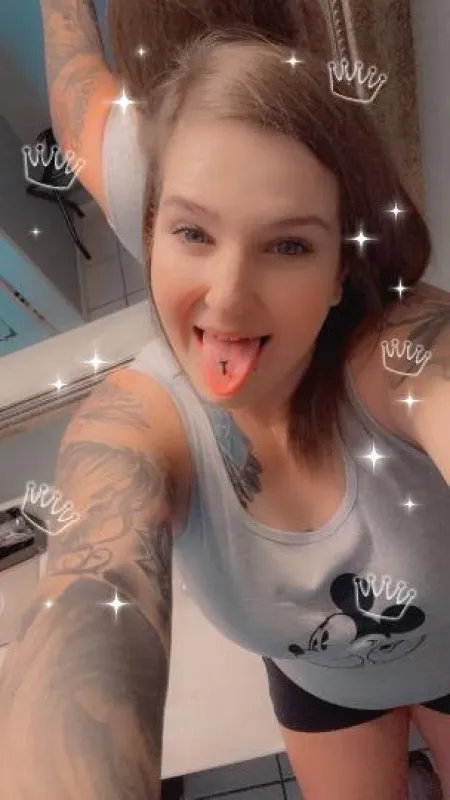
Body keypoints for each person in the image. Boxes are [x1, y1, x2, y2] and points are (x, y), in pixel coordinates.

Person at [0, 1, 449, 798]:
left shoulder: (401, 349)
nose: (229, 297)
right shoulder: (138, 421)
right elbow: (89, 601)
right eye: (192, 233)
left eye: (289, 245)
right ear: (148, 228)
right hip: (320, 686)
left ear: (341, 268)